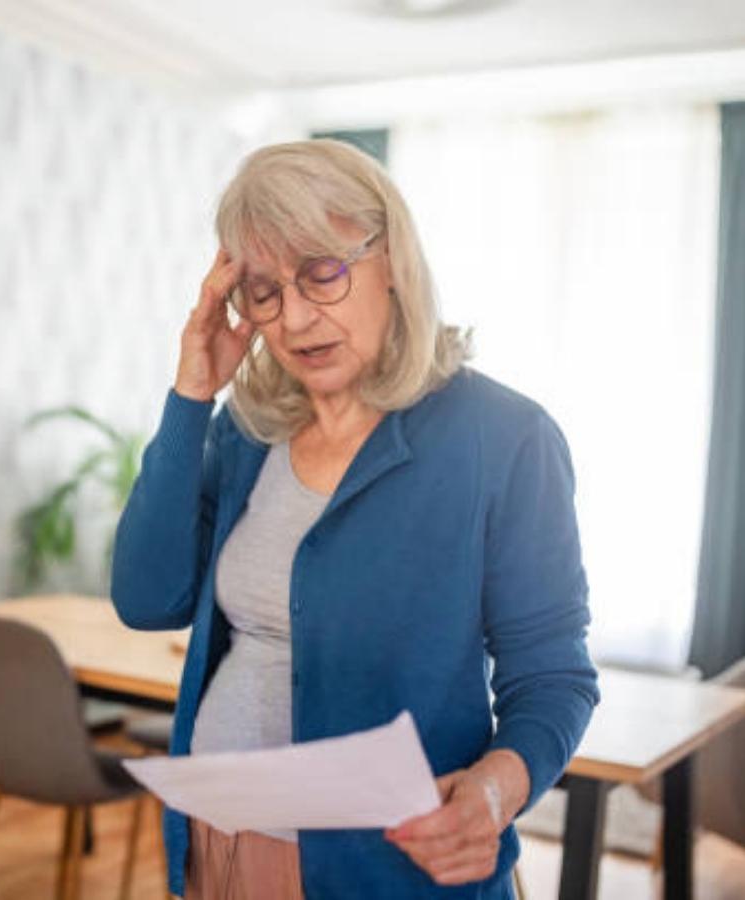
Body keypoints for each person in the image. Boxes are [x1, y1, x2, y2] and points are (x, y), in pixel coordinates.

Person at [111, 138, 599, 899]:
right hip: (220, 843)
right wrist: (191, 396)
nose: (295, 318)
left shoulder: (505, 439)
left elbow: (554, 674)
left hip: (391, 873)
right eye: (264, 292)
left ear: (392, 260)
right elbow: (147, 601)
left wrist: (494, 792)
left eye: (322, 273)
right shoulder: (247, 431)